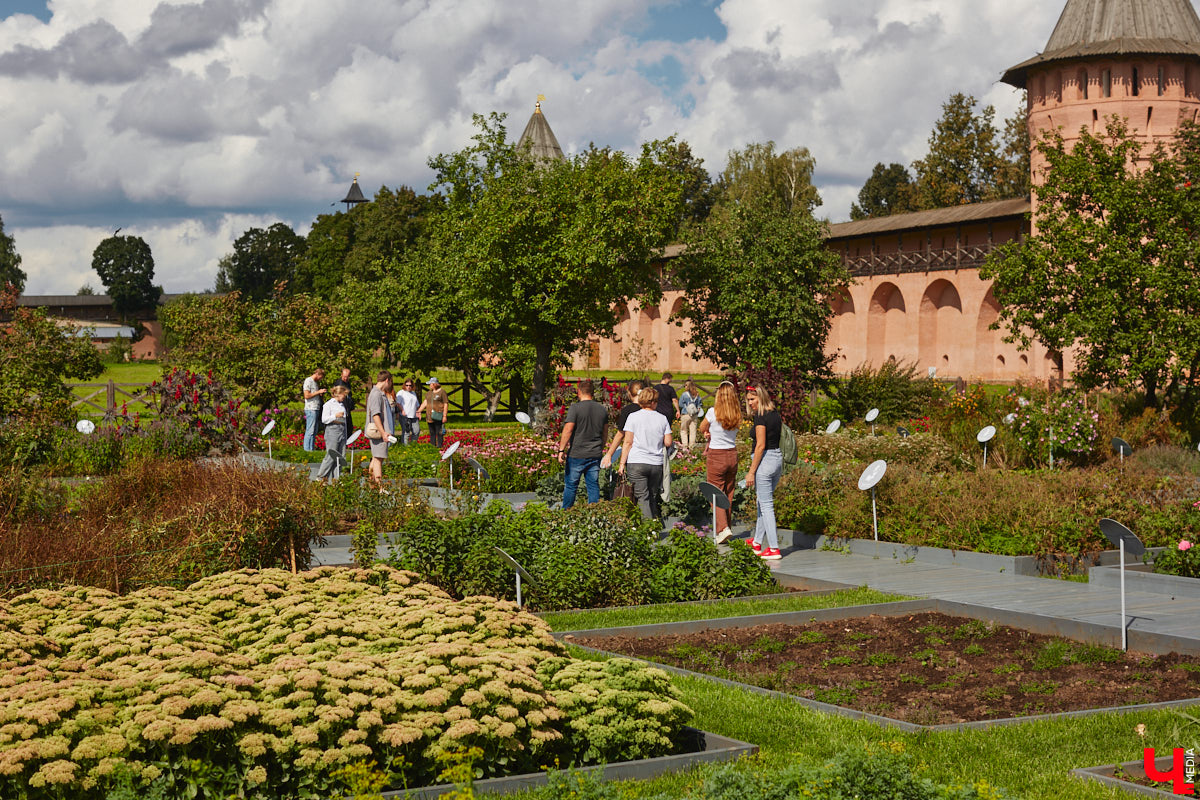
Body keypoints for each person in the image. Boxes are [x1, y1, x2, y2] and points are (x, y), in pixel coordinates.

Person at [618, 387, 673, 521]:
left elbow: (628, 442)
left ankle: (649, 529)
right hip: (656, 463)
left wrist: (621, 464)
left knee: (642, 496)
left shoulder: (633, 417)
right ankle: (654, 521)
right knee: (652, 495)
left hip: (637, 461)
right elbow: (668, 442)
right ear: (654, 402)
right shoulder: (662, 418)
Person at [699, 381, 741, 544]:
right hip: (732, 454)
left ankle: (722, 528)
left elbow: (703, 427)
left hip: (716, 454)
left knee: (715, 493)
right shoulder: (737, 413)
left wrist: (708, 432)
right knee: (729, 492)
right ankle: (726, 527)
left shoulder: (712, 412)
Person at [745, 386, 784, 560]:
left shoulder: (761, 417)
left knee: (766, 506)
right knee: (762, 502)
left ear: (760, 397)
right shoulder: (775, 414)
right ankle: (757, 542)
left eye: (752, 399)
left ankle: (774, 548)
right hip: (776, 459)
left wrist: (751, 472)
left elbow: (760, 446)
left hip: (765, 462)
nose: (750, 403)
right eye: (748, 400)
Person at [557, 379, 609, 508]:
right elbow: (605, 432)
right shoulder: (602, 409)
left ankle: (566, 513)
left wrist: (561, 450)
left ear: (579, 392)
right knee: (593, 485)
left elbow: (568, 429)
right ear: (593, 393)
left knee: (571, 485)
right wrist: (600, 447)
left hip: (577, 454)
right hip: (595, 453)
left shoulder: (575, 408)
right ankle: (594, 513)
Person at [601, 379, 644, 469]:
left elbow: (620, 434)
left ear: (629, 393)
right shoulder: (650, 409)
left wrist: (609, 454)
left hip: (634, 455)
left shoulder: (627, 411)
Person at [365, 370, 395, 488]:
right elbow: (375, 415)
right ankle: (379, 487)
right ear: (387, 380)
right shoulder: (376, 394)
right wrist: (383, 432)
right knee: (378, 459)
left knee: (375, 458)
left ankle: (371, 485)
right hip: (379, 432)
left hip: (382, 432)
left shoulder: (379, 393)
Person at [315, 385, 349, 484]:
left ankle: (336, 479)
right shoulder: (328, 405)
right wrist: (335, 416)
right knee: (331, 455)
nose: (344, 397)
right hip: (332, 429)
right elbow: (324, 419)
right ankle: (321, 477)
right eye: (343, 394)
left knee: (340, 456)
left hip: (342, 429)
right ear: (337, 394)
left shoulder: (342, 405)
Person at [418, 377, 449, 448]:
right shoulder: (429, 393)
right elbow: (425, 402)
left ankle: (440, 446)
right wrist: (419, 411)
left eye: (430, 384)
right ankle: (432, 446)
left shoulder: (442, 392)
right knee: (432, 432)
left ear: (434, 384)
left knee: (439, 431)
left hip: (438, 415)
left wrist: (444, 415)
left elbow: (445, 403)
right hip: (429, 416)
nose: (429, 385)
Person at [302, 368, 326, 451]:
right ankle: (307, 449)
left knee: (314, 430)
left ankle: (311, 449)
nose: (320, 379)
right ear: (317, 374)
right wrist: (318, 392)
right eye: (320, 377)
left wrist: (320, 394)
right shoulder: (308, 381)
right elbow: (307, 395)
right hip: (310, 408)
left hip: (316, 408)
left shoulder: (315, 383)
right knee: (310, 430)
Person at [679, 378, 704, 451]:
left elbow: (680, 404)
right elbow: (699, 404)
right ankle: (691, 446)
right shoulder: (697, 394)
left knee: (684, 430)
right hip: (694, 415)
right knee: (693, 431)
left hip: (685, 414)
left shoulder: (684, 395)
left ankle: (684, 446)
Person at [396, 378, 420, 444]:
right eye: (407, 385)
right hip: (405, 415)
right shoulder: (401, 393)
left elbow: (417, 404)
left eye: (410, 385)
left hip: (414, 416)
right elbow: (398, 403)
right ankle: (405, 446)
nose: (408, 387)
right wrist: (402, 410)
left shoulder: (413, 393)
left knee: (416, 431)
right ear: (404, 385)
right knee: (406, 431)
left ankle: (413, 444)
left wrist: (418, 412)